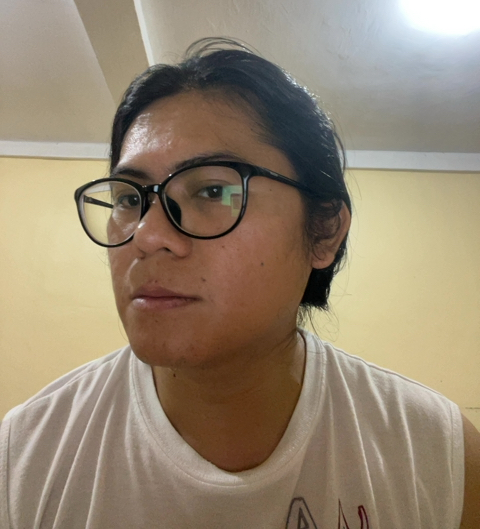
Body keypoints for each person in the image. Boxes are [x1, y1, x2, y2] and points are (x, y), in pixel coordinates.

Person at [1, 38, 479, 528]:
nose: (146, 235)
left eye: (212, 190)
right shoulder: (24, 458)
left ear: (324, 231)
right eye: (128, 198)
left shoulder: (439, 457)